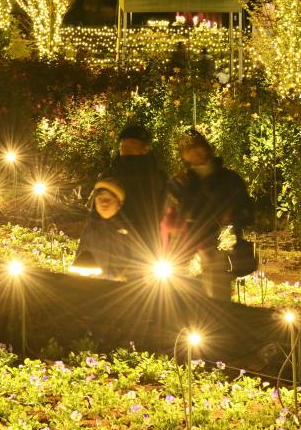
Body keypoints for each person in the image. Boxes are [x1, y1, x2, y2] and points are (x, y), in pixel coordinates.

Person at [164, 129, 253, 301]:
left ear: (208, 148)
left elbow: (246, 210)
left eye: (199, 147)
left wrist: (232, 216)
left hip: (220, 246)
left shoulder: (229, 179)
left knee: (218, 298)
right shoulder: (180, 182)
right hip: (186, 248)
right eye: (189, 149)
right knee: (184, 298)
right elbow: (169, 214)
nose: (195, 152)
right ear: (184, 155)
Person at [102, 124, 170, 267]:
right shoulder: (111, 175)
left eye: (131, 145)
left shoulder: (157, 177)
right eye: (122, 146)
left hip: (146, 241)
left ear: (145, 148)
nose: (125, 149)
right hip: (114, 238)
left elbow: (161, 209)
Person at [70, 176, 140, 279]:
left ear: (119, 203)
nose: (104, 203)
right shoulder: (90, 229)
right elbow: (79, 261)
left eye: (108, 199)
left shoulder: (130, 230)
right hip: (94, 289)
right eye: (100, 198)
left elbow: (137, 265)